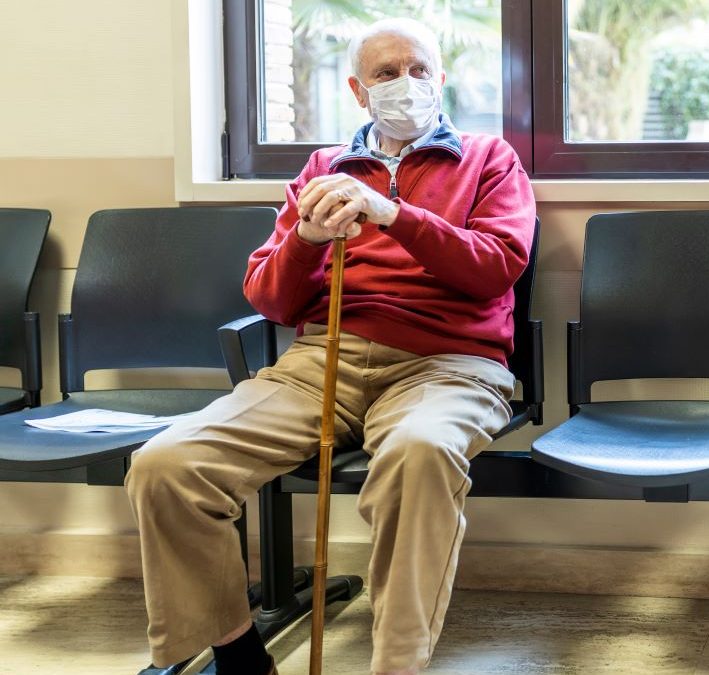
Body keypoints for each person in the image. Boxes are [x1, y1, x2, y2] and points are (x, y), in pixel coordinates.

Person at [126, 17, 535, 675]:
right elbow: (271, 298)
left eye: (419, 69)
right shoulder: (322, 169)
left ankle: (396, 663)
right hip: (324, 359)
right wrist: (307, 242)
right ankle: (236, 654)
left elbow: (497, 265)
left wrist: (394, 215)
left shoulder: (490, 159)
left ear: (442, 78)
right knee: (167, 463)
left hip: (449, 365)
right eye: (386, 73)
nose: (406, 83)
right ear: (357, 90)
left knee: (421, 451)